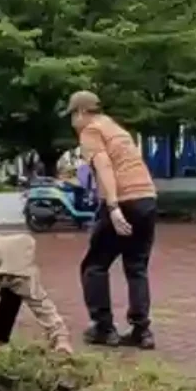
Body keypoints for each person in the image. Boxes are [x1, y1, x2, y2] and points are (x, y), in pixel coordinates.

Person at [67, 90, 158, 350]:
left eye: (72, 116)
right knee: (136, 266)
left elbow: (104, 166)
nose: (72, 122)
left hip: (123, 200)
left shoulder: (91, 131)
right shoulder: (116, 129)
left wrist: (113, 206)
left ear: (82, 112)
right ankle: (142, 330)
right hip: (147, 198)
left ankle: (104, 328)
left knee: (94, 266)